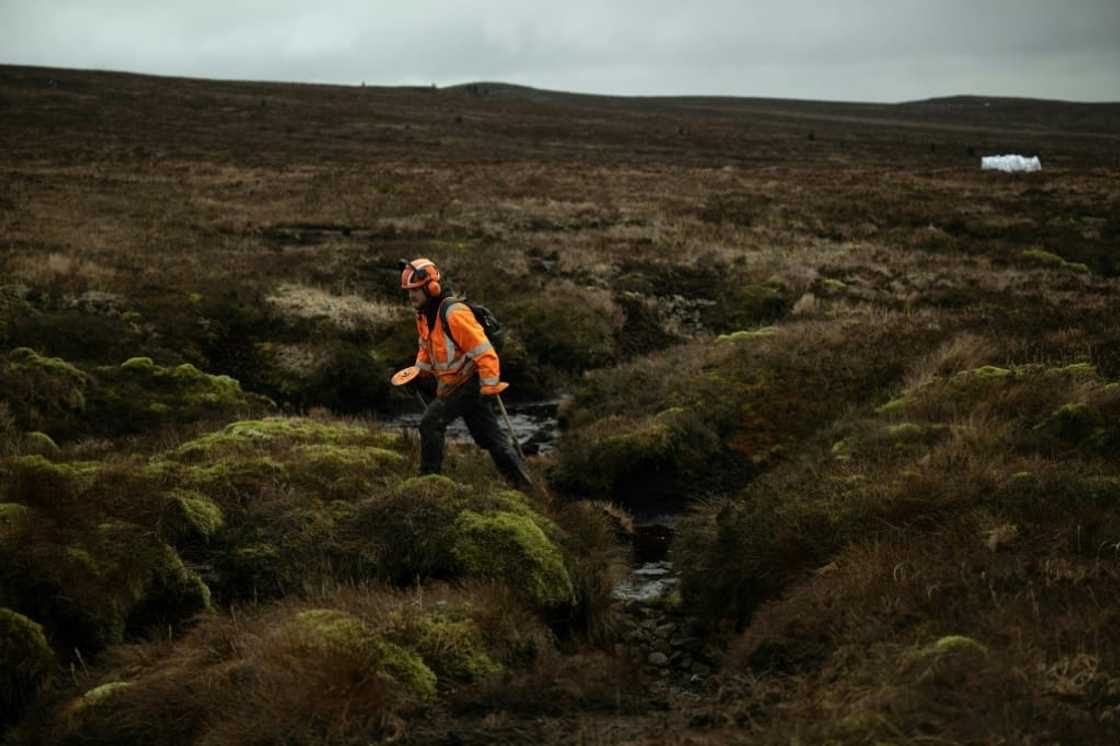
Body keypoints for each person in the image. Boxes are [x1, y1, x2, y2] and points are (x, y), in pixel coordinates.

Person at [399, 258, 532, 489]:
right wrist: (418, 374)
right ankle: (525, 486)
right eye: (409, 291)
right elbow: (426, 349)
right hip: (455, 382)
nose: (411, 296)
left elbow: (485, 353)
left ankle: (428, 484)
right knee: (490, 437)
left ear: (432, 287)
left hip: (470, 382)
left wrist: (489, 387)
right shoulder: (424, 315)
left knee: (431, 423)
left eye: (416, 290)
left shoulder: (454, 314)